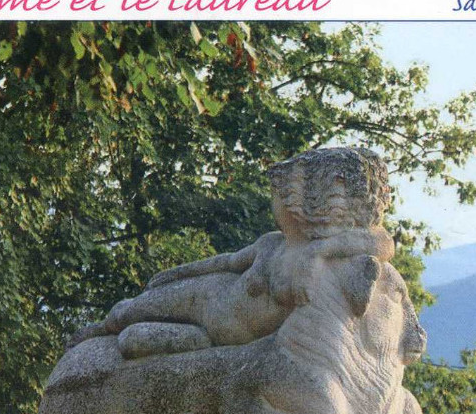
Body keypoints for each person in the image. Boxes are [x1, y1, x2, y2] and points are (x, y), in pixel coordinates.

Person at [68, 148, 395, 357]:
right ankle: (99, 330)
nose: (274, 204)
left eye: (276, 195)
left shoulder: (339, 252)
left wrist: (320, 251)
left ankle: (137, 335)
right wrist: (174, 275)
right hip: (207, 296)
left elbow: (382, 242)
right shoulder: (273, 244)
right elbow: (225, 262)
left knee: (141, 337)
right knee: (131, 310)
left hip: (218, 334)